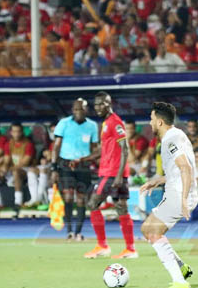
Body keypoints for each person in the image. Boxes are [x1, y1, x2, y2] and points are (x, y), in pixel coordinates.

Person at [138, 102, 196, 288]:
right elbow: (179, 170)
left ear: (160, 122)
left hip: (179, 195)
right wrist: (158, 180)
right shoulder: (177, 135)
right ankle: (181, 268)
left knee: (152, 232)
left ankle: (180, 281)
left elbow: (185, 167)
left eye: (152, 119)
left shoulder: (170, 140)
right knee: (147, 229)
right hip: (177, 192)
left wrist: (184, 199)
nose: (150, 123)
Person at [83, 92, 136, 259]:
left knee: (92, 203)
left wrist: (119, 176)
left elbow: (125, 148)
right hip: (112, 172)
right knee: (121, 208)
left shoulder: (115, 122)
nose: (98, 107)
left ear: (109, 103)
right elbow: (104, 149)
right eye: (96, 105)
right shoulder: (106, 123)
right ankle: (130, 249)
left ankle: (102, 246)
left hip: (112, 173)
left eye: (101, 104)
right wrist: (85, 159)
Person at [51, 99, 99, 242]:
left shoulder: (92, 126)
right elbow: (56, 146)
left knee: (81, 198)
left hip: (83, 165)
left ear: (86, 110)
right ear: (72, 110)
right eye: (76, 109)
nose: (79, 112)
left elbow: (94, 148)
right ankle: (69, 231)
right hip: (66, 164)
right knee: (68, 197)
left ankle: (78, 232)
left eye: (82, 109)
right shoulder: (63, 123)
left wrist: (96, 163)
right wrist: (54, 168)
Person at [5, 122, 36, 214]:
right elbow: (6, 160)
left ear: (22, 132)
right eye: (14, 131)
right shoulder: (8, 144)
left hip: (27, 169)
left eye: (18, 131)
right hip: (12, 169)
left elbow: (25, 162)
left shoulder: (28, 144)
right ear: (11, 132)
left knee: (16, 172)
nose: (16, 134)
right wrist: (4, 168)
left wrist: (11, 169)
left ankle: (18, 202)